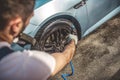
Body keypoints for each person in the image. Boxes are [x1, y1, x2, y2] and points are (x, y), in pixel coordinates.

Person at [0, 0, 77, 80]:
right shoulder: (19, 65)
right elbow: (65, 57)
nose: (28, 21)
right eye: (29, 18)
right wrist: (73, 42)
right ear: (16, 25)